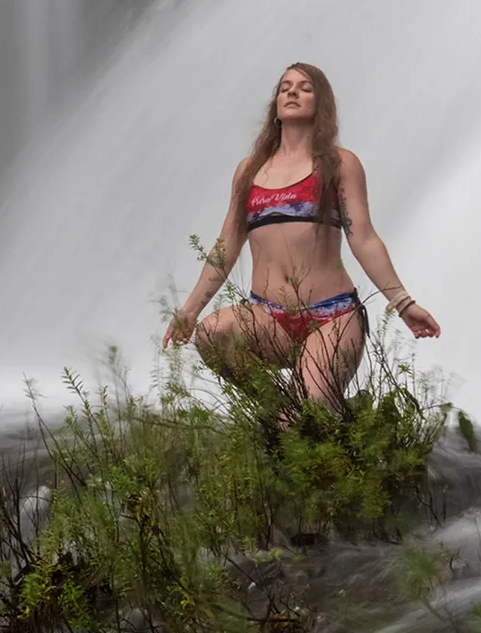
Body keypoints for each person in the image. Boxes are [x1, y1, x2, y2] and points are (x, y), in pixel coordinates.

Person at [162, 62, 439, 408]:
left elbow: (364, 239)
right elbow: (226, 246)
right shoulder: (249, 170)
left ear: (321, 103)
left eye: (305, 88)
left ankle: (310, 415)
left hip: (332, 317)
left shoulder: (339, 164)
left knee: (311, 411)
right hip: (268, 319)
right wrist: (190, 310)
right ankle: (280, 414)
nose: (292, 92)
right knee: (211, 334)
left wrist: (403, 304)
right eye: (285, 87)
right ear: (275, 105)